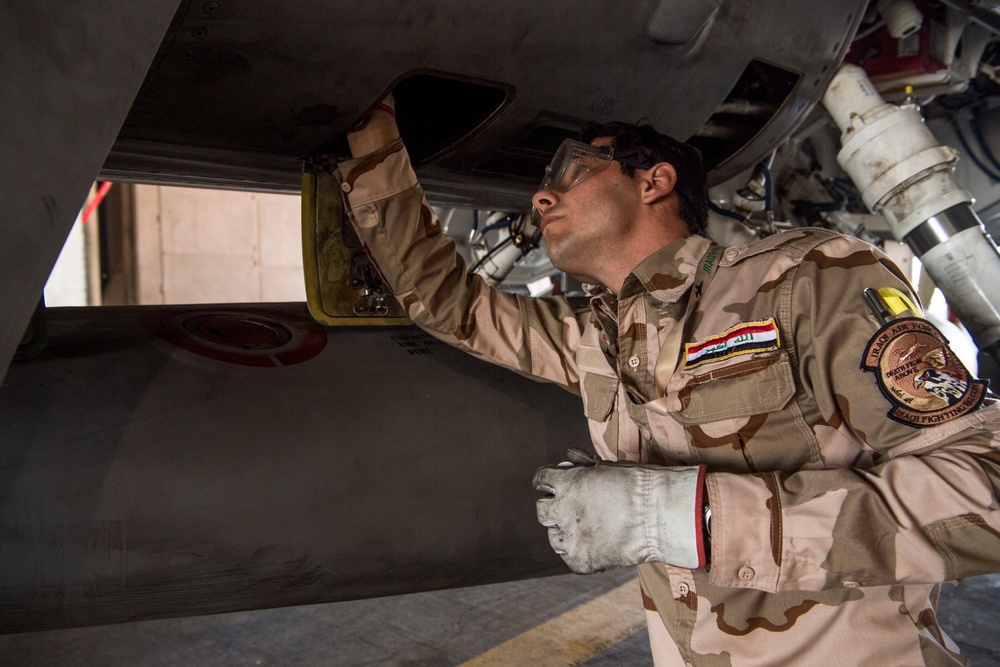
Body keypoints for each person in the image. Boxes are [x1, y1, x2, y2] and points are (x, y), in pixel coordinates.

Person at [338, 103, 1000, 666]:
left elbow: (988, 490)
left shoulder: (808, 280)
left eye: (571, 171)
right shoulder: (598, 340)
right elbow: (452, 304)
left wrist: (683, 517)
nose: (541, 196)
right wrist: (371, 138)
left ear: (653, 180)